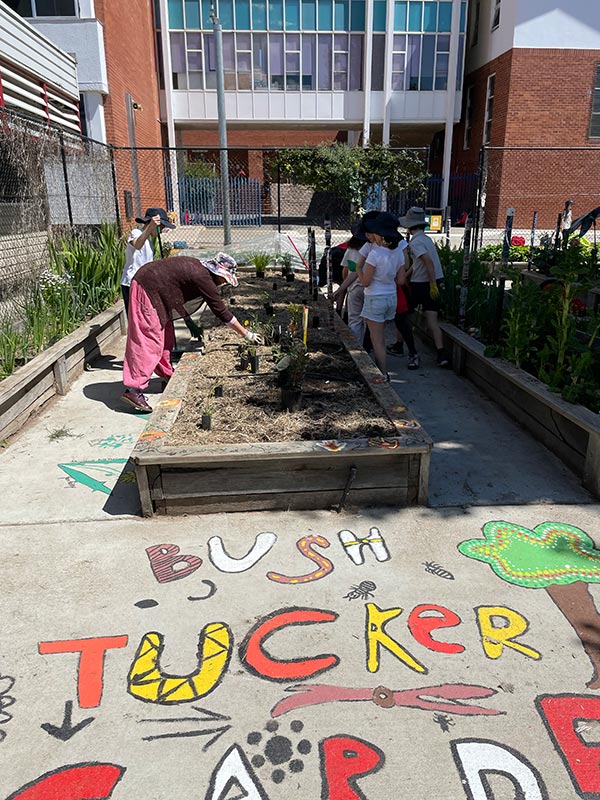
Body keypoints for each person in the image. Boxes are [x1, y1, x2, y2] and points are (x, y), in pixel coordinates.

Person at [121, 254, 262, 413]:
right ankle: (133, 390)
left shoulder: (199, 270)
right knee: (148, 339)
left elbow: (174, 293)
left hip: (153, 287)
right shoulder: (203, 278)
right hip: (146, 287)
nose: (224, 283)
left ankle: (167, 375)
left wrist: (189, 321)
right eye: (225, 279)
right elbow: (222, 312)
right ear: (219, 273)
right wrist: (246, 334)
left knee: (164, 335)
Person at [356, 213, 409, 381]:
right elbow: (401, 280)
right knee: (381, 336)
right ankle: (383, 370)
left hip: (375, 298)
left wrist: (358, 269)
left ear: (380, 235)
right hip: (391, 298)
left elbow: (365, 282)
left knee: (376, 339)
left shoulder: (375, 254)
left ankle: (383, 373)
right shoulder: (398, 253)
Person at [398, 206, 449, 367]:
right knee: (432, 319)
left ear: (409, 225)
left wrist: (431, 283)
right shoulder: (426, 239)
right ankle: (441, 355)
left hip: (421, 284)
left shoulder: (415, 242)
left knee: (402, 316)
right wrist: (405, 276)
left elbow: (428, 262)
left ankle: (404, 348)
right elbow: (419, 262)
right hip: (434, 282)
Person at [121, 207, 174, 315]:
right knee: (135, 317)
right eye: (161, 226)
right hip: (131, 282)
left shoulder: (149, 240)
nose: (162, 230)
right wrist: (150, 227)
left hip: (143, 283)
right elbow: (137, 245)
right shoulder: (136, 232)